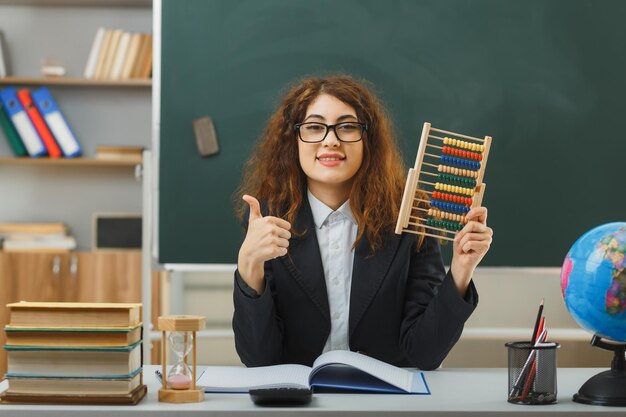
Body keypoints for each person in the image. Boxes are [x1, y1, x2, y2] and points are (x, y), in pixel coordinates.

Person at [232, 75, 493, 369]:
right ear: (293, 140)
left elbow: (424, 354)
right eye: (315, 127)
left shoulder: (408, 217)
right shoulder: (268, 220)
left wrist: (461, 269)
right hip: (300, 404)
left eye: (347, 126)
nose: (331, 140)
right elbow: (258, 359)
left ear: (367, 140)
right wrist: (248, 264)